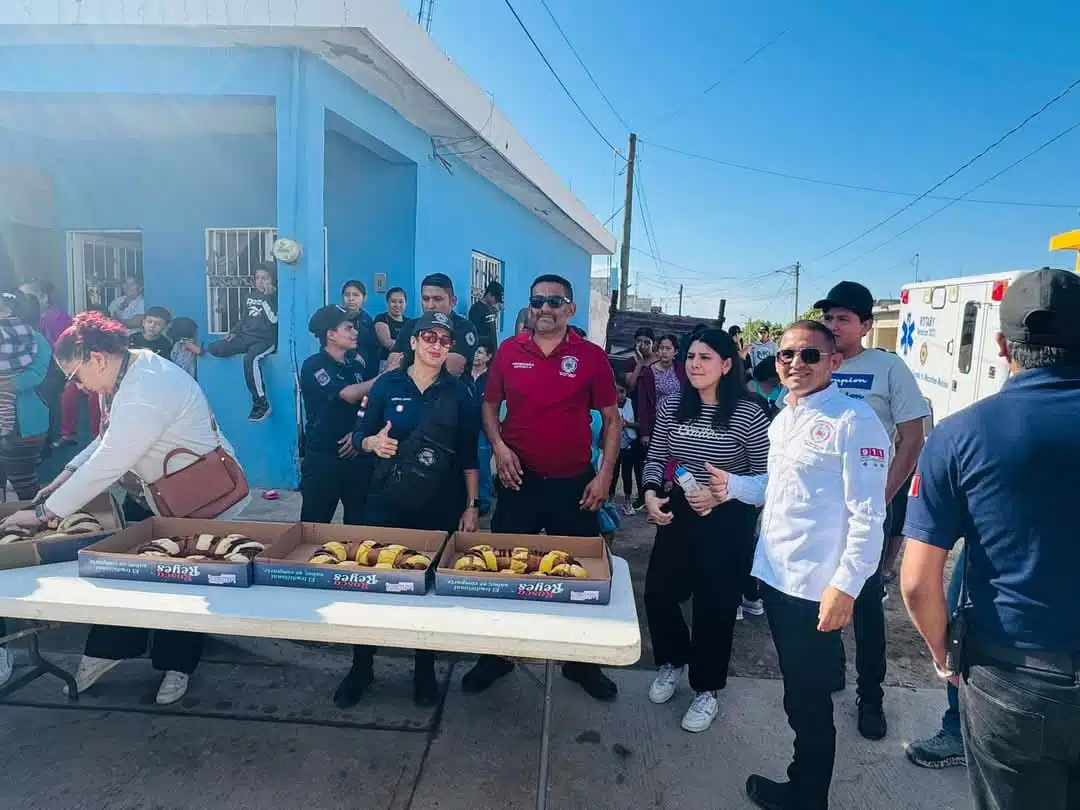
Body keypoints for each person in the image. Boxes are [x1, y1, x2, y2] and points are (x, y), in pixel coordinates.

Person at [0, 311, 249, 706]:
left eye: (75, 376)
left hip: (201, 500)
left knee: (181, 584)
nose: (78, 387)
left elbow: (111, 459)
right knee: (126, 573)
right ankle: (106, 653)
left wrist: (44, 514)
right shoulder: (120, 377)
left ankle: (176, 666)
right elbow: (105, 439)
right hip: (156, 496)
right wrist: (63, 476)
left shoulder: (148, 386)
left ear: (96, 357)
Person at [901, 268, 1080, 809]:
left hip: (1013, 677)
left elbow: (916, 582)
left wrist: (943, 654)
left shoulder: (961, 433)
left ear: (1002, 345)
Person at [708, 320, 889, 810]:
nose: (795, 364)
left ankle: (808, 795)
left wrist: (847, 587)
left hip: (816, 586)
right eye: (787, 355)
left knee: (809, 702)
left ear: (834, 362)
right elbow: (775, 488)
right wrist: (732, 486)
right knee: (798, 693)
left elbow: (869, 515)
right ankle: (803, 783)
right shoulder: (783, 418)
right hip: (775, 576)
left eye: (810, 355)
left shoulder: (855, 422)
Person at [465, 273, 621, 702]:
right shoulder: (509, 352)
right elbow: (490, 406)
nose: (546, 308)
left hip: (574, 486)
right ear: (530, 307)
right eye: (538, 301)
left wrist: (604, 474)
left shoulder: (590, 357)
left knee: (583, 578)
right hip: (520, 483)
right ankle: (497, 656)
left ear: (570, 309)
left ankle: (582, 663)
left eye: (555, 301)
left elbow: (612, 421)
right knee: (503, 571)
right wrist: (498, 447)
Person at [333, 310, 480, 709]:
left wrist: (471, 506)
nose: (436, 345)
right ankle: (361, 667)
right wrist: (371, 445)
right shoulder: (387, 385)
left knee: (426, 589)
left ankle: (424, 671)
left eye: (444, 340)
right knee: (374, 584)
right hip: (384, 500)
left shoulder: (460, 392)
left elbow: (469, 456)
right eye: (428, 337)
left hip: (438, 504)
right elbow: (361, 434)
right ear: (413, 342)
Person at [816, 281, 928, 740]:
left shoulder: (887, 368)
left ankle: (872, 696)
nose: (833, 325)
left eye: (843, 318)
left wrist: (881, 497)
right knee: (821, 596)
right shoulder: (816, 362)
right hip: (821, 512)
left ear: (865, 325)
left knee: (864, 607)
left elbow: (913, 436)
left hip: (865, 511)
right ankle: (834, 670)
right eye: (829, 317)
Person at [643, 328, 768, 733]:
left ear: (727, 365)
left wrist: (724, 494)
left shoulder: (749, 413)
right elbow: (657, 455)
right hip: (680, 507)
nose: (694, 364)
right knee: (659, 593)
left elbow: (769, 475)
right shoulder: (673, 405)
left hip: (729, 516)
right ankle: (673, 661)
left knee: (715, 607)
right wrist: (649, 493)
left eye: (705, 357)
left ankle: (707, 689)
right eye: (691, 356)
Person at [298, 306, 379, 526]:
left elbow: (367, 402)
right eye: (348, 328)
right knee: (314, 526)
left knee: (360, 527)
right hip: (324, 459)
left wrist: (358, 435)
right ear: (331, 334)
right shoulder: (315, 365)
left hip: (356, 454)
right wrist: (385, 376)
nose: (355, 333)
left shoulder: (355, 363)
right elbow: (349, 395)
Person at [206, 261, 278, 421]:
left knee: (251, 360)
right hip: (246, 337)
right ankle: (242, 346)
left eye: (265, 278)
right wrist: (233, 332)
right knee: (215, 348)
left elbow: (273, 320)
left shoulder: (275, 297)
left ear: (272, 280)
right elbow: (244, 318)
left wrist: (267, 298)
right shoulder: (250, 296)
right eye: (258, 278)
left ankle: (261, 402)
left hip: (265, 340)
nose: (260, 281)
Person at [0, 292, 52, 501]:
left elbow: (34, 376)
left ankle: (36, 524)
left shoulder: (36, 341)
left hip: (25, 423)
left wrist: (5, 383)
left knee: (23, 481)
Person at [387, 274, 477, 378]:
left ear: (453, 301)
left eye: (437, 299)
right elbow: (392, 364)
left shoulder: (463, 327)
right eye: (425, 299)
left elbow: (450, 369)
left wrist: (407, 362)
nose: (430, 305)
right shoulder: (411, 325)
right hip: (407, 392)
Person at [636, 334, 680, 456]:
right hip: (658, 424)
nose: (664, 352)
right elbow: (643, 404)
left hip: (678, 424)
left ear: (675, 352)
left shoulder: (681, 370)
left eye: (668, 348)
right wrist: (644, 432)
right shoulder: (649, 372)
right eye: (661, 348)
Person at [467, 338, 494, 515]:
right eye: (475, 351)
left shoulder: (492, 378)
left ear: (489, 356)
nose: (476, 355)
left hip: (484, 429)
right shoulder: (462, 375)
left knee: (482, 466)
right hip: (463, 427)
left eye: (481, 352)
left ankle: (483, 503)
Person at [609, 380, 643, 516]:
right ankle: (610, 500)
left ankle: (627, 501)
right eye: (616, 392)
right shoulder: (609, 404)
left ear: (626, 392)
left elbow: (641, 424)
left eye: (622, 392)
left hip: (629, 444)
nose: (619, 395)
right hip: (613, 444)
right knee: (613, 472)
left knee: (627, 474)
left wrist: (628, 424)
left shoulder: (633, 403)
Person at [341, 280, 379, 374]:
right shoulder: (336, 318)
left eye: (355, 295)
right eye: (347, 295)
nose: (351, 299)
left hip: (364, 370)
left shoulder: (367, 320)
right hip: (341, 369)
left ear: (364, 298)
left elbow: (373, 349)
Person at [373, 286, 407, 366]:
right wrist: (409, 346)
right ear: (387, 302)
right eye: (393, 301)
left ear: (405, 303)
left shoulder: (409, 322)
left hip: (405, 363)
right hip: (385, 363)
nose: (397, 305)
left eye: (401, 301)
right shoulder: (381, 318)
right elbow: (387, 343)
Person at [467, 280, 503, 347]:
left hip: (492, 352)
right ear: (489, 294)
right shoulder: (476, 309)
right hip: (482, 352)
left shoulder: (491, 309)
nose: (496, 301)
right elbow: (473, 333)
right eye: (495, 298)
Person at [624, 327, 656, 391]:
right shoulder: (631, 361)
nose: (643, 346)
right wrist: (640, 363)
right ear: (634, 342)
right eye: (639, 341)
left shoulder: (660, 360)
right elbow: (631, 386)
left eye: (647, 343)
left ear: (653, 344)